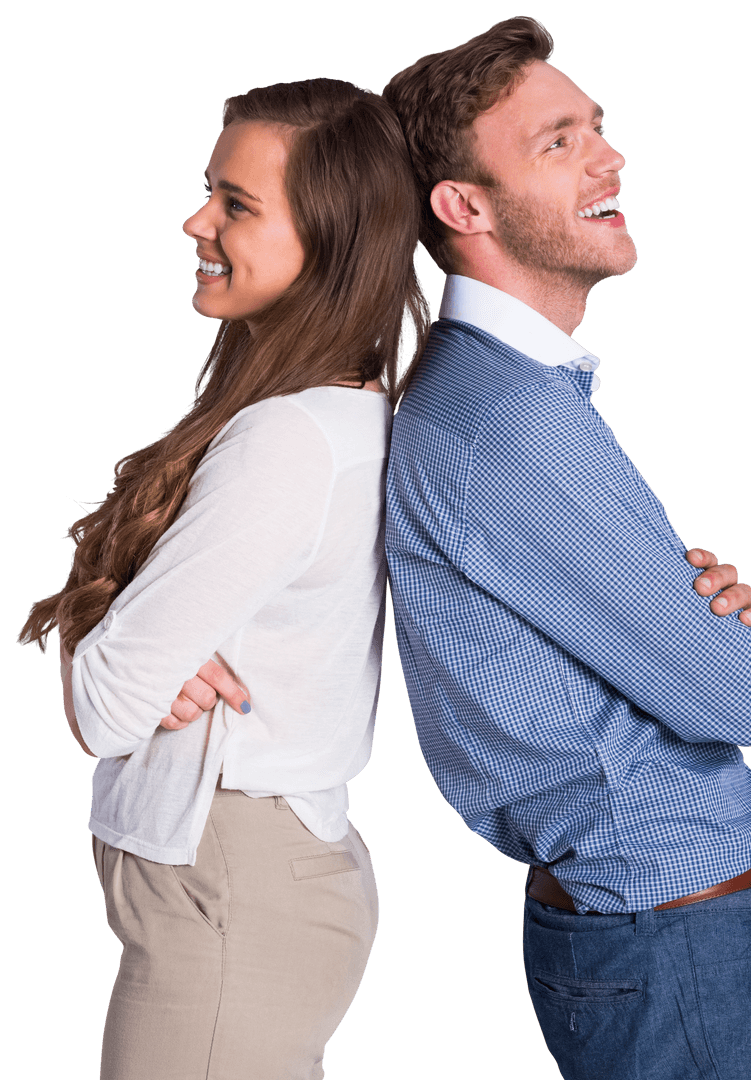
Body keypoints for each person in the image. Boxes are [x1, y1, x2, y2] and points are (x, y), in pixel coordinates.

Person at [383, 17, 751, 1079]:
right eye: (556, 141)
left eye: (596, 128)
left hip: (660, 934)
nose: (607, 154)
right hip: (677, 943)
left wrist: (689, 613)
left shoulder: (504, 401)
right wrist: (741, 639)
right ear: (463, 207)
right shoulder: (508, 426)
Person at [18, 78, 429, 1080]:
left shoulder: (285, 441)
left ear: (328, 241)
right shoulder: (341, 420)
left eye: (236, 204)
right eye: (209, 189)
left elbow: (110, 706)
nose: (194, 220)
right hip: (255, 886)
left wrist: (108, 621)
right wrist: (131, 627)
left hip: (228, 898)